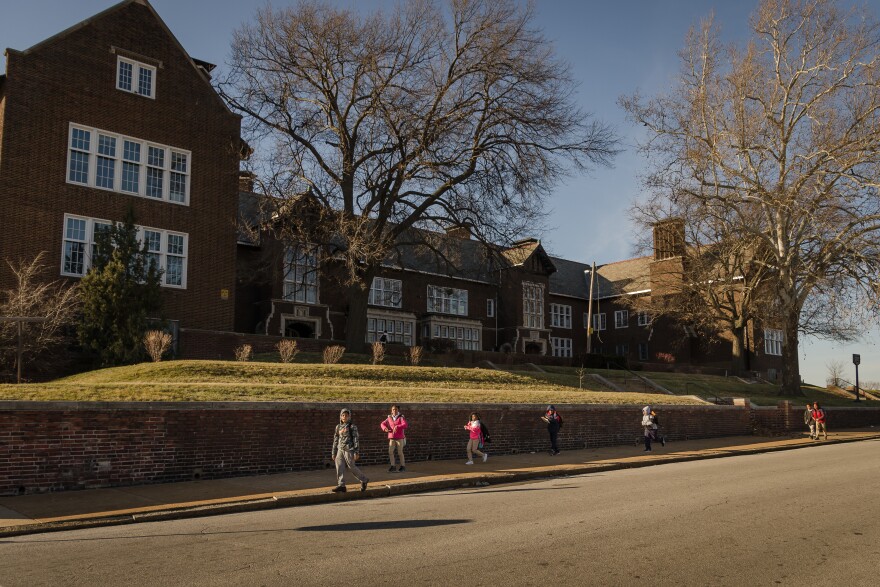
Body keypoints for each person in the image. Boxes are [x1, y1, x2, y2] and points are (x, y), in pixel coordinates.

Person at [331, 408, 369, 492]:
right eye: (343, 415)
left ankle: (364, 479)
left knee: (351, 466)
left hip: (349, 449)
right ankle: (341, 485)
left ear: (349, 417)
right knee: (339, 466)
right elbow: (335, 439)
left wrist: (356, 451)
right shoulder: (338, 427)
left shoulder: (352, 426)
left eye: (346, 415)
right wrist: (333, 452)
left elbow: (356, 439)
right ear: (340, 417)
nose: (344, 417)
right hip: (340, 449)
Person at [381, 404, 408, 472]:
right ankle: (393, 466)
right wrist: (385, 428)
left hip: (399, 438)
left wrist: (397, 426)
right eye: (393, 409)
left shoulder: (401, 417)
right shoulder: (389, 418)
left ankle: (403, 466)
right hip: (392, 437)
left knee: (400, 452)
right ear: (391, 410)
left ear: (398, 410)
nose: (394, 411)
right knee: (390, 452)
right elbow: (382, 424)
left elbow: (405, 425)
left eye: (396, 409)